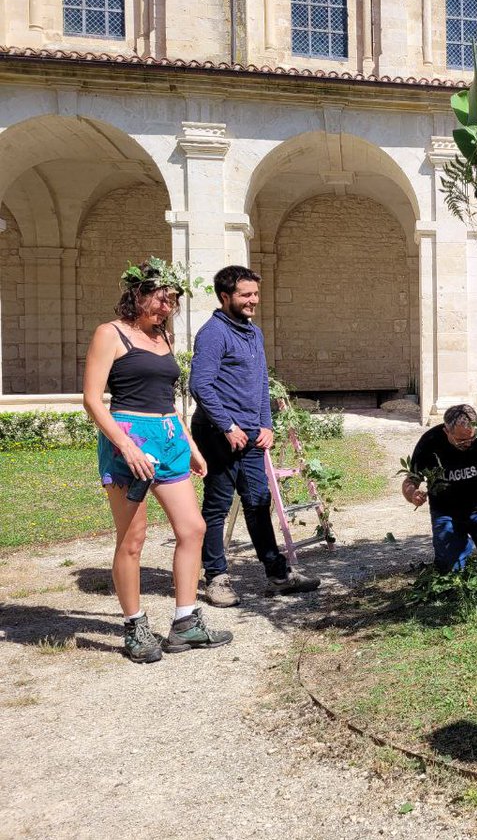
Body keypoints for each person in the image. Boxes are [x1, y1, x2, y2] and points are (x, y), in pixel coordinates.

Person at [83, 259, 233, 663]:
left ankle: (186, 621)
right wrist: (126, 446)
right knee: (133, 539)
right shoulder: (110, 333)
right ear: (138, 293)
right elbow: (92, 400)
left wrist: (191, 444)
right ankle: (135, 625)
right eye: (162, 299)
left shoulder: (163, 338)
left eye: (172, 301)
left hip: (169, 438)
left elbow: (168, 401)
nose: (167, 307)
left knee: (193, 527)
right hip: (128, 439)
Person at [189, 265, 320, 606]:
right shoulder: (213, 333)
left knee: (258, 504)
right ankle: (216, 578)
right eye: (245, 295)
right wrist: (227, 426)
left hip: (251, 434)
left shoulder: (254, 333)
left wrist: (266, 425)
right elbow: (200, 384)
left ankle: (278, 575)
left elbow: (262, 383)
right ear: (224, 297)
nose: (253, 301)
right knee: (216, 507)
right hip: (218, 434)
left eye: (255, 294)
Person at [402, 404, 477, 573]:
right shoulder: (430, 442)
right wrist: (413, 494)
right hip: (446, 512)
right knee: (450, 570)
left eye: (471, 438)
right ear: (446, 431)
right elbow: (411, 480)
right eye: (461, 440)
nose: (468, 444)